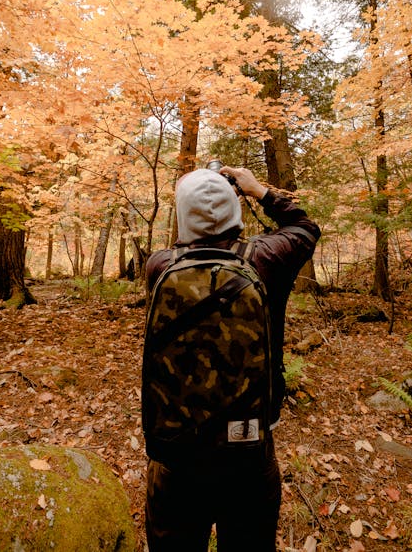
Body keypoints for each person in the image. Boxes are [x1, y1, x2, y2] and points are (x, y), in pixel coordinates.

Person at [144, 165, 321, 552]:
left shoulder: (159, 266)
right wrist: (258, 191)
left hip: (176, 454)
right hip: (249, 452)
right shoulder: (267, 259)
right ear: (235, 210)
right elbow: (306, 227)